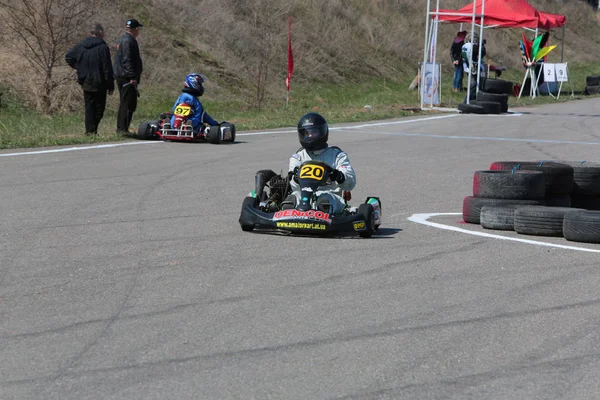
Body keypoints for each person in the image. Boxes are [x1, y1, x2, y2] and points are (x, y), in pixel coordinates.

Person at [282, 112, 356, 214]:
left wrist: (338, 176)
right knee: (290, 202)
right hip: (304, 195)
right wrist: (295, 178)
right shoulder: (297, 157)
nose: (310, 136)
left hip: (331, 195)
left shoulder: (337, 156)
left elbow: (350, 183)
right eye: (306, 133)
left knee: (323, 202)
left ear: (323, 132)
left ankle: (323, 216)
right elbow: (294, 186)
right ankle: (292, 218)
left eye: (314, 132)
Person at [65, 24, 114, 135]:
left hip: (85, 80)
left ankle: (90, 131)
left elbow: (69, 57)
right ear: (101, 33)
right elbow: (107, 68)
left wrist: (79, 67)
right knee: (99, 109)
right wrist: (110, 85)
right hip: (99, 82)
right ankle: (92, 131)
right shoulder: (103, 47)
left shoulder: (81, 46)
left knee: (89, 108)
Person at [114, 18, 144, 134]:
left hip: (124, 75)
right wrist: (132, 77)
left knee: (130, 103)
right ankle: (122, 129)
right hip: (126, 78)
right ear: (136, 29)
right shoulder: (128, 41)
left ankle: (124, 128)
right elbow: (127, 60)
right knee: (126, 103)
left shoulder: (127, 39)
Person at [461, 31, 487, 103]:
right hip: (473, 68)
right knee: (474, 85)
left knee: (472, 85)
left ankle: (471, 100)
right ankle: (467, 101)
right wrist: (481, 46)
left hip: (467, 67)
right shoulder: (472, 46)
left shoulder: (464, 46)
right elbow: (481, 53)